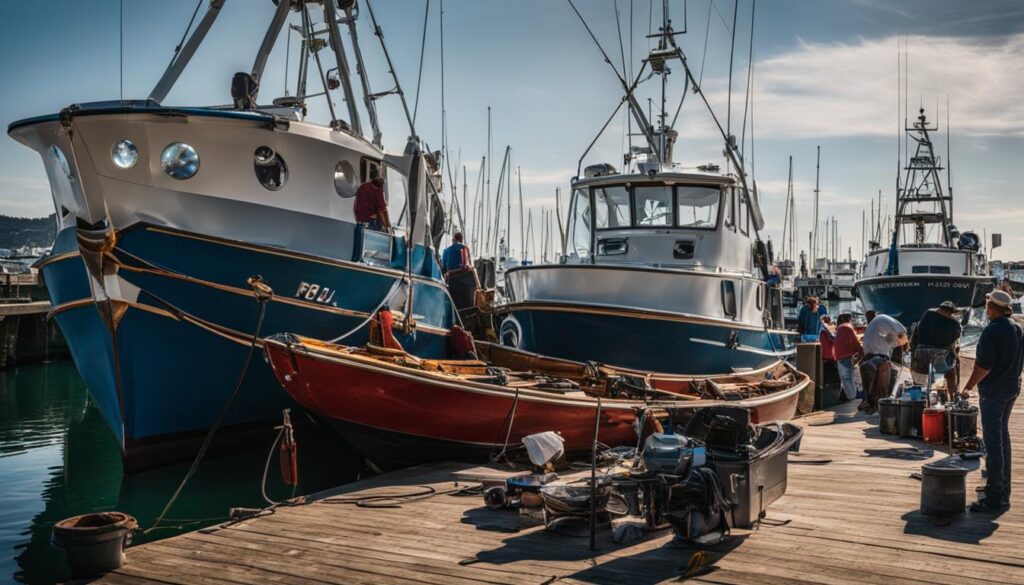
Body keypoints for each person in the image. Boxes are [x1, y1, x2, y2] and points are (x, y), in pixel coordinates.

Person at [962, 290, 1023, 513]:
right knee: (1002, 439)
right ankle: (1001, 489)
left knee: (993, 443)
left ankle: (995, 497)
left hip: (994, 392)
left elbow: (983, 367)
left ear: (992, 308)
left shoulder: (991, 330)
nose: (986, 309)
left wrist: (967, 386)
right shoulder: (1017, 328)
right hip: (1011, 388)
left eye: (987, 305)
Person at [909, 301, 963, 402]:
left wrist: (913, 353)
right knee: (950, 373)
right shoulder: (955, 323)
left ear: (939, 308)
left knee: (917, 378)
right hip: (939, 358)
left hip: (921, 355)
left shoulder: (927, 314)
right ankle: (952, 398)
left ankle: (915, 400)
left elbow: (914, 339)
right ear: (951, 312)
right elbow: (955, 345)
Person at [858, 313, 909, 414]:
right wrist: (903, 341)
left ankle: (872, 401)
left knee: (876, 383)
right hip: (878, 357)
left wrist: (899, 342)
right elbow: (901, 334)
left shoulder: (877, 326)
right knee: (885, 381)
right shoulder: (886, 322)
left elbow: (892, 342)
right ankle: (882, 401)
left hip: (872, 356)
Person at [441, 232, 477, 312]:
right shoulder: (465, 248)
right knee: (467, 308)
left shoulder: (446, 251)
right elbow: (469, 264)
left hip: (452, 282)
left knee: (456, 307)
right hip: (467, 284)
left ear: (453, 240)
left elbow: (443, 269)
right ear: (461, 239)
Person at [833, 313, 863, 402]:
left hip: (839, 358)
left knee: (846, 382)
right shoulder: (848, 327)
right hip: (848, 358)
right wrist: (862, 352)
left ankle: (849, 399)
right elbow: (855, 343)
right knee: (851, 382)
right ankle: (853, 402)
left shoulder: (839, 328)